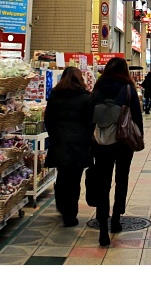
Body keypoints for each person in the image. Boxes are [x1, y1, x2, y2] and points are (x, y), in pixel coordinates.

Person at [90, 57, 144, 246]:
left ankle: (102, 227)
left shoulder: (98, 87)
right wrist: (139, 138)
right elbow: (136, 116)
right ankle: (116, 219)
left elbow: (90, 115)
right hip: (123, 140)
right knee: (122, 178)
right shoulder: (128, 87)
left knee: (103, 182)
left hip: (101, 141)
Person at [43, 66, 93, 227]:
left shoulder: (55, 96)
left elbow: (48, 120)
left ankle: (62, 206)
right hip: (79, 144)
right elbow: (91, 122)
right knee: (74, 179)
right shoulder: (86, 97)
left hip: (60, 142)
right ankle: (70, 214)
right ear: (80, 79)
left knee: (62, 175)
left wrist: (54, 135)